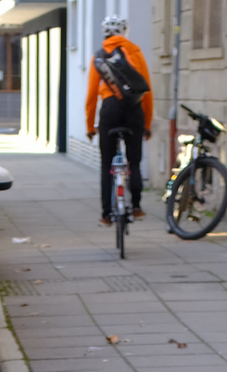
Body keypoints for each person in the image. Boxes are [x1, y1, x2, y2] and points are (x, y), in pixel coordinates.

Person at [85, 15, 152, 225]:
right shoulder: (135, 52)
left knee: (107, 165)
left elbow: (91, 95)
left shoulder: (98, 55)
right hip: (134, 111)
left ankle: (106, 215)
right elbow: (146, 90)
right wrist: (146, 124)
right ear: (124, 32)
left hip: (110, 110)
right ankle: (138, 207)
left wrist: (90, 126)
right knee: (134, 162)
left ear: (105, 33)